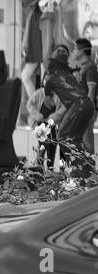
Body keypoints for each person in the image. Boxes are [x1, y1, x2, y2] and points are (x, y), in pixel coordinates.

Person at [46, 44, 95, 176]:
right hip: (86, 104)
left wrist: (48, 98)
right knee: (75, 139)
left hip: (79, 105)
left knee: (64, 136)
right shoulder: (69, 73)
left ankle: (79, 171)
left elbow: (48, 97)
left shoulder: (51, 77)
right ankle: (89, 170)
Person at [74, 39, 98, 153]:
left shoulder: (90, 67)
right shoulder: (84, 66)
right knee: (82, 143)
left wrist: (88, 111)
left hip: (86, 110)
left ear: (82, 51)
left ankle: (90, 170)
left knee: (88, 144)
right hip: (81, 110)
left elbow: (92, 90)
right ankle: (84, 170)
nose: (73, 51)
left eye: (75, 48)